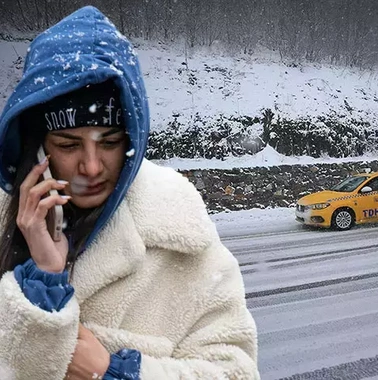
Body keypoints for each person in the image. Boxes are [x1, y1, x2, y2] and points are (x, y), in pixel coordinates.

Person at [0, 6, 259, 380]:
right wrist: (43, 277)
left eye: (109, 142)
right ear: (38, 147)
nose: (91, 167)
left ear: (131, 141)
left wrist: (117, 372)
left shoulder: (180, 232)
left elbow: (238, 372)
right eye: (69, 144)